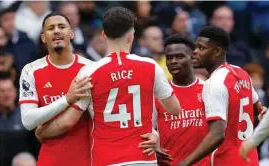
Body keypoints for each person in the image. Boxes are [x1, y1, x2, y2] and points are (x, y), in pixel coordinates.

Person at [53, 7, 180, 166]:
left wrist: (42, 130)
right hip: (143, 157)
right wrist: (154, 132)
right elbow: (175, 109)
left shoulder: (89, 72)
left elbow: (68, 121)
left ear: (104, 35)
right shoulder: (150, 66)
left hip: (107, 158)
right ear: (131, 35)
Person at [177, 26, 262, 166]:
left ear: (217, 51)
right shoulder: (241, 73)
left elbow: (217, 134)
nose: (195, 52)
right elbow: (258, 110)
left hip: (227, 161)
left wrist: (184, 163)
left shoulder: (214, 84)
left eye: (201, 48)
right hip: (249, 159)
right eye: (195, 47)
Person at [19, 12, 93, 166]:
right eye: (51, 28)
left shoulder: (89, 69)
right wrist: (67, 99)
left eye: (62, 27)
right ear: (43, 38)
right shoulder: (31, 70)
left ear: (71, 34)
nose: (57, 31)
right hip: (50, 159)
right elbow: (27, 120)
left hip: (87, 158)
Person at [153, 34, 210, 166]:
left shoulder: (208, 89)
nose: (173, 61)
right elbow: (147, 129)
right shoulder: (157, 94)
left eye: (179, 56)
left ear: (193, 58)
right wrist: (154, 147)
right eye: (169, 57)